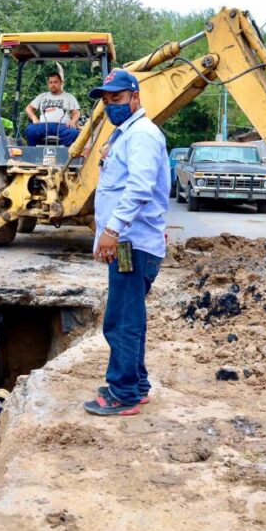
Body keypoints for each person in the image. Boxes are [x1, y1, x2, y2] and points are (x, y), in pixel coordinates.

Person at [82, 70, 168, 416]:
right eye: (105, 101)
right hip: (132, 241)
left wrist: (112, 231)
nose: (110, 106)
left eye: (116, 99)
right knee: (131, 317)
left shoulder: (142, 134)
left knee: (121, 320)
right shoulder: (126, 135)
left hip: (131, 244)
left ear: (135, 97)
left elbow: (141, 187)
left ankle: (124, 393)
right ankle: (136, 384)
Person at [24, 70, 81, 147]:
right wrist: (34, 118)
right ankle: (34, 155)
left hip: (63, 126)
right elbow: (28, 108)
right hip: (43, 125)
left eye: (55, 82)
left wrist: (73, 121)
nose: (53, 85)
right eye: (51, 82)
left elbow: (76, 112)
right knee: (30, 130)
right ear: (48, 84)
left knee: (73, 132)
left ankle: (64, 155)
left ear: (61, 83)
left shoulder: (69, 97)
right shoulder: (42, 96)